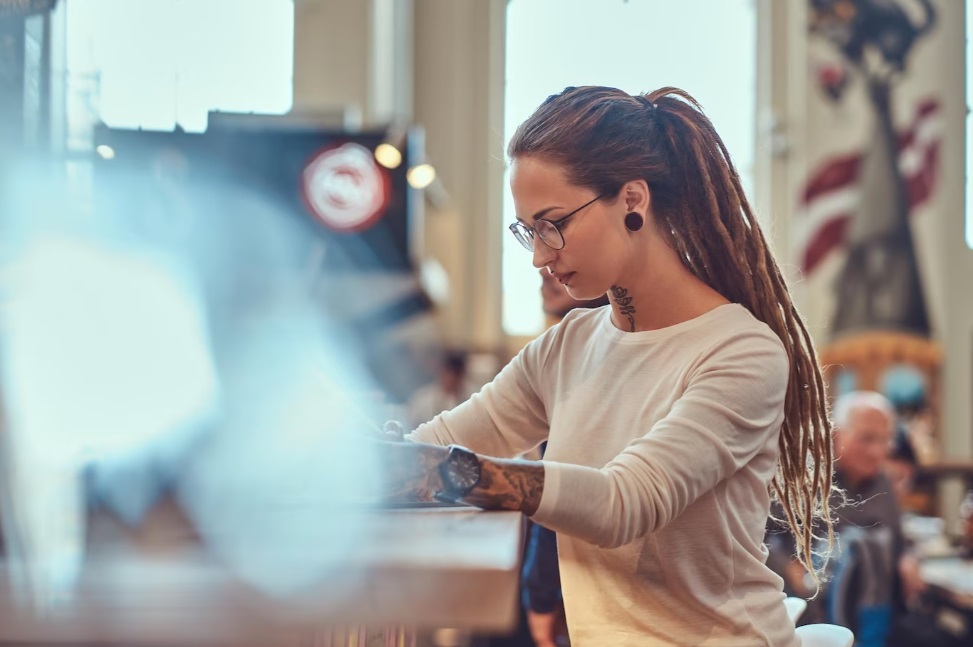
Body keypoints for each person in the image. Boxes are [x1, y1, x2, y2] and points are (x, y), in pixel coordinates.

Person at [380, 86, 835, 646]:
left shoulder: (742, 352)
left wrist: (459, 472)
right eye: (528, 230)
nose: (540, 256)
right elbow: (438, 440)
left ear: (633, 201)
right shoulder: (568, 345)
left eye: (553, 224)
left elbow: (626, 503)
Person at [405, 349, 473, 429]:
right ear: (440, 372)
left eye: (456, 375)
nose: (451, 379)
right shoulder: (422, 399)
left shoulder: (470, 400)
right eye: (448, 374)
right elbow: (410, 427)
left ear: (462, 376)